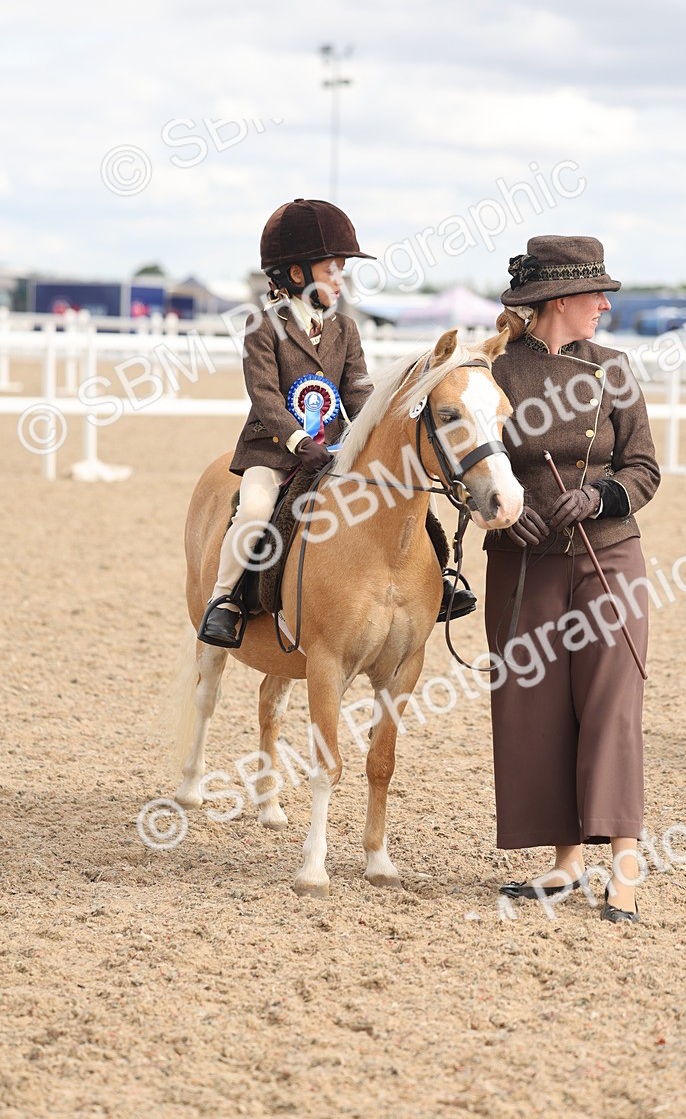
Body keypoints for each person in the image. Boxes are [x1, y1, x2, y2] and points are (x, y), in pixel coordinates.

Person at [199, 197, 475, 647]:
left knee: (414, 485)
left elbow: (359, 391)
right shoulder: (261, 326)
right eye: (334, 269)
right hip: (274, 450)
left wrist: (379, 431)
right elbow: (265, 397)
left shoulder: (344, 329)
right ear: (297, 274)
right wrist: (295, 440)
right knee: (252, 510)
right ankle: (225, 599)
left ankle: (440, 578)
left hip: (335, 449)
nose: (341, 279)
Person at [484, 235, 661, 923]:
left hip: (608, 556)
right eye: (596, 296)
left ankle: (623, 869)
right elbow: (465, 460)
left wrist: (600, 496)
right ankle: (565, 864)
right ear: (560, 300)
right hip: (523, 562)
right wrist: (502, 516)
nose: (603, 308)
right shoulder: (494, 373)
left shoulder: (615, 369)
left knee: (612, 702)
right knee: (536, 708)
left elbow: (643, 469)